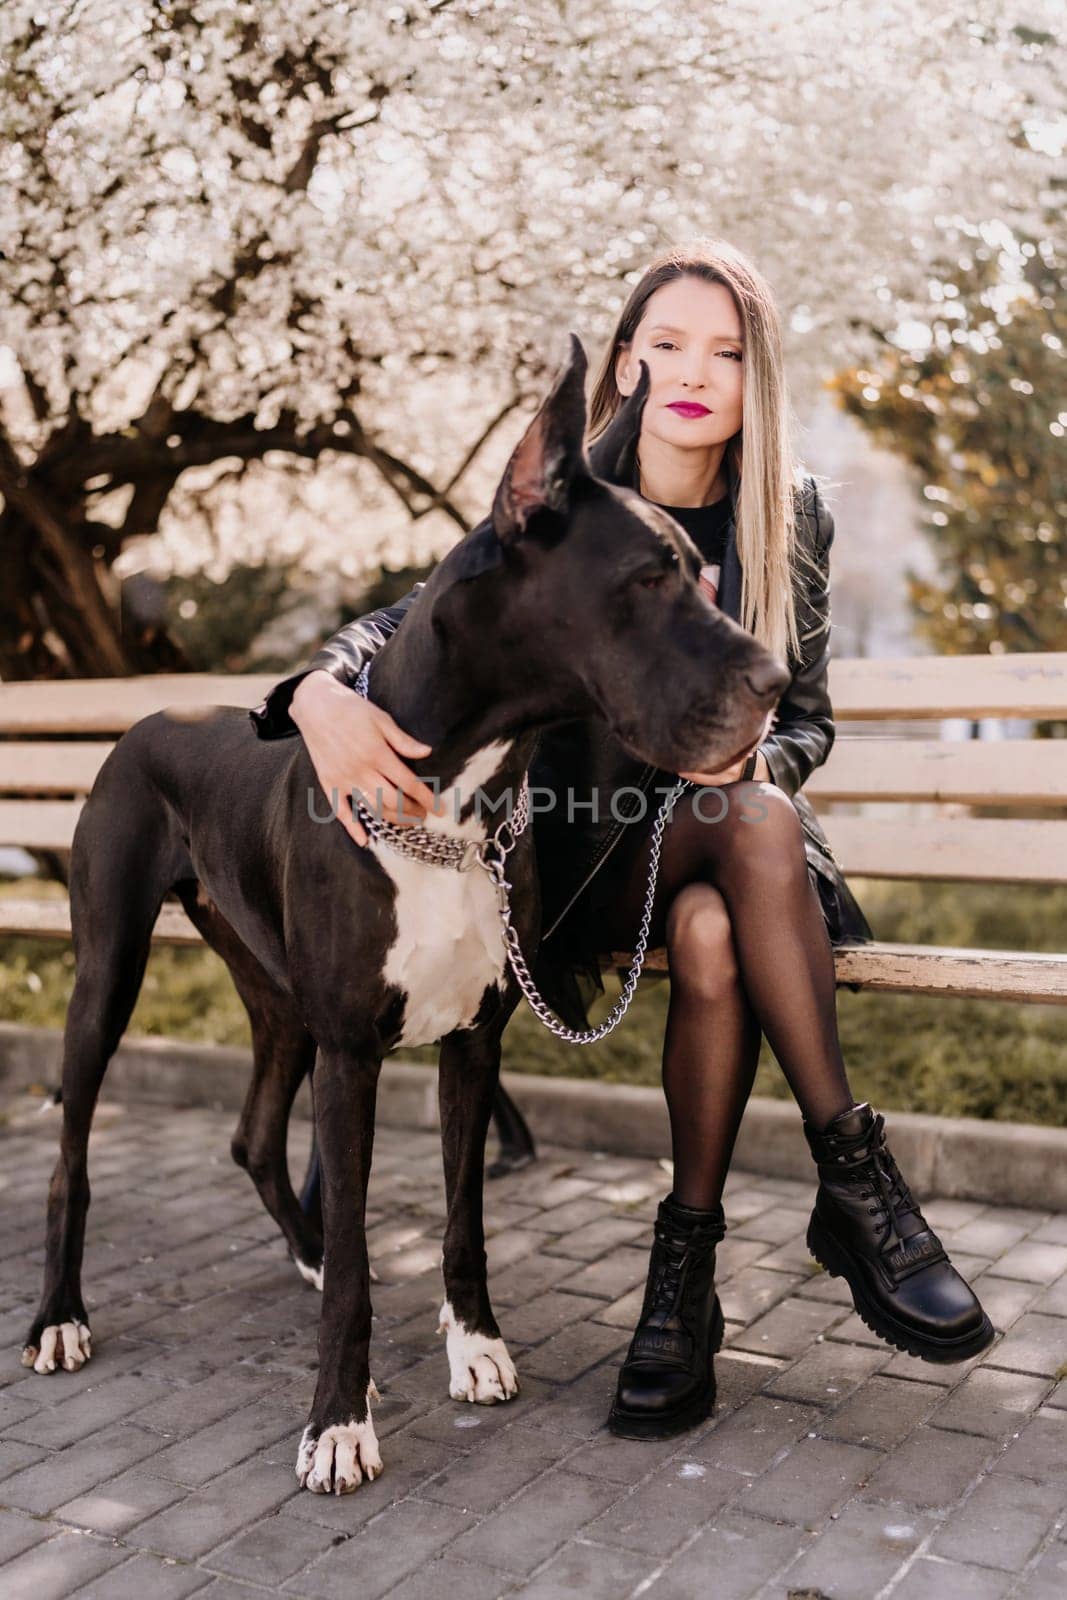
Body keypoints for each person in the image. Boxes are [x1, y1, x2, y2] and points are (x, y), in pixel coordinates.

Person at [250, 238, 994, 1443]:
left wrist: (762, 757)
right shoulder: (575, 487)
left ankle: (685, 1279)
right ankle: (849, 1188)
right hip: (577, 859)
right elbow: (425, 614)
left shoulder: (785, 509)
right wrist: (313, 690)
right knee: (717, 903)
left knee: (736, 852)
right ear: (627, 364)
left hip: (723, 836)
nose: (694, 371)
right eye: (664, 345)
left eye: (726, 350)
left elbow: (803, 719)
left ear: (760, 376)